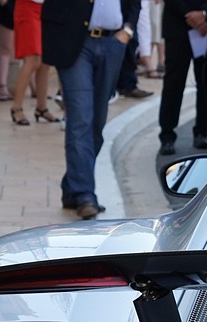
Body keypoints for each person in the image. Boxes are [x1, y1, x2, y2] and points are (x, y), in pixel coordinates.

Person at [41, 0, 141, 219]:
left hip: (113, 42)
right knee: (81, 119)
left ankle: (72, 187)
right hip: (74, 40)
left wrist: (128, 30)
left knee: (96, 124)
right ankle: (85, 194)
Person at [157, 0, 207, 155]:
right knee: (173, 84)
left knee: (204, 82)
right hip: (177, 26)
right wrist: (190, 16)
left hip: (204, 29)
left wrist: (204, 14)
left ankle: (202, 131)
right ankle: (167, 135)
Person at [9, 0, 59, 125]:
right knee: (32, 59)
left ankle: (41, 108)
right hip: (28, 7)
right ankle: (16, 107)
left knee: (45, 62)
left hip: (47, 8)